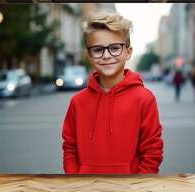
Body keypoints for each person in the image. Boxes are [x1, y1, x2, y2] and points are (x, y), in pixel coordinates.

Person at [61, 12, 164, 174]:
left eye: (115, 48)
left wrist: (138, 187)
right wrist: (74, 181)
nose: (107, 55)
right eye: (98, 49)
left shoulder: (144, 98)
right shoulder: (77, 101)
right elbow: (70, 148)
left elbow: (152, 152)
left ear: (128, 52)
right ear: (89, 55)